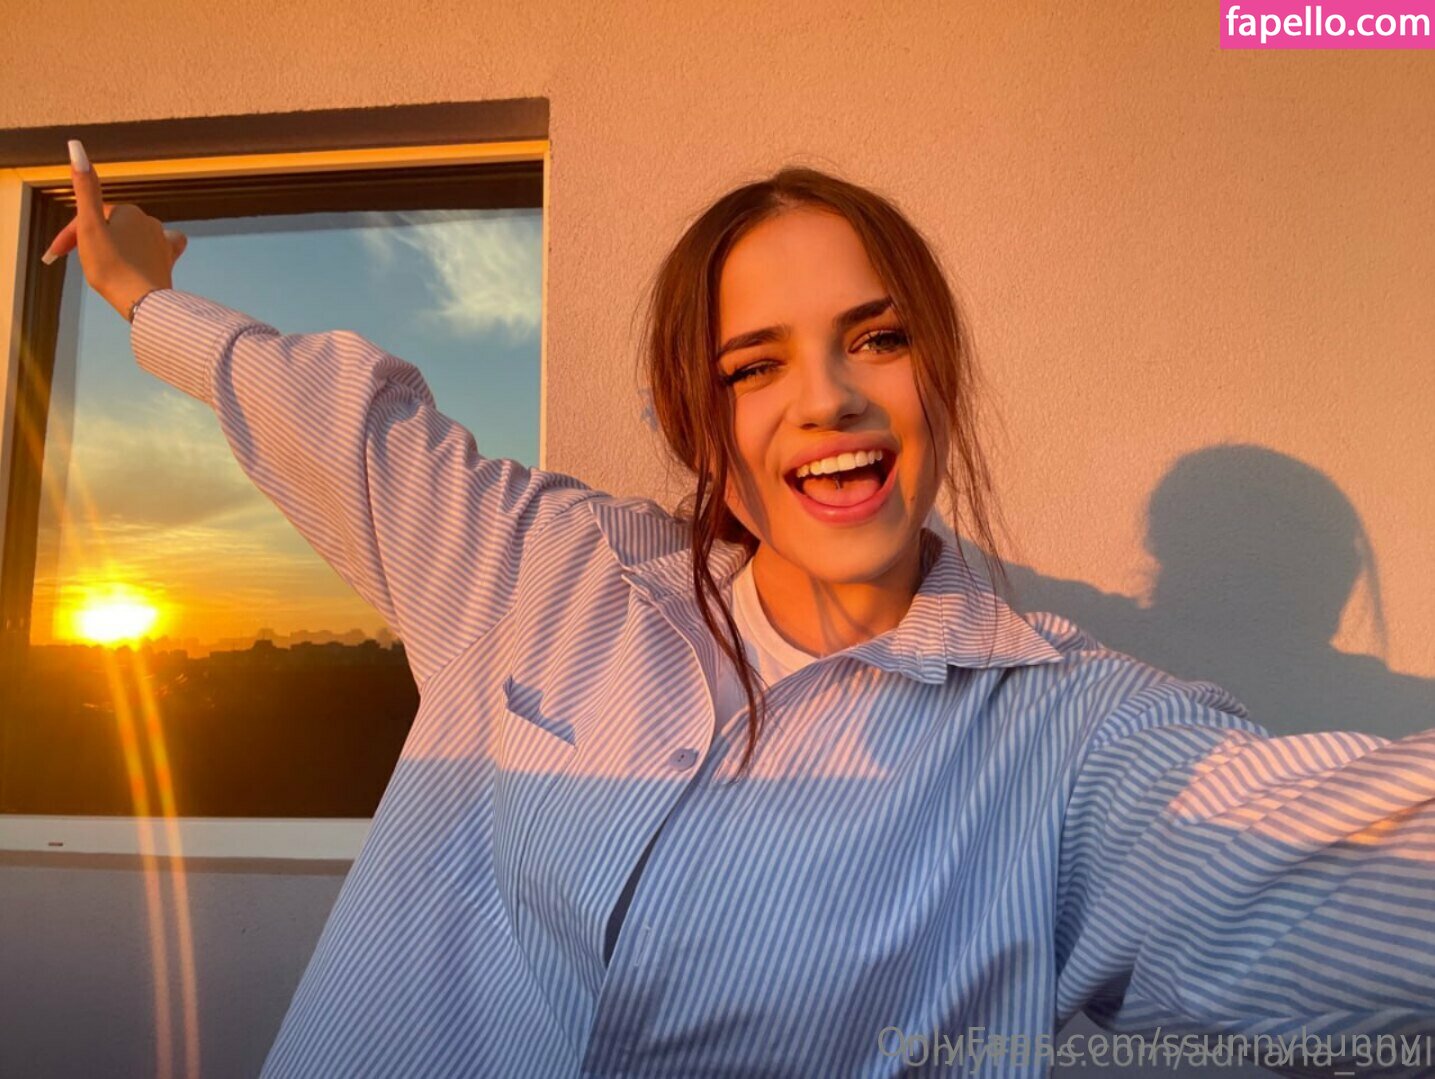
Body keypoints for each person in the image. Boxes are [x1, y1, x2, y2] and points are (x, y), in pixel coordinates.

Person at [48, 138, 1435, 1078]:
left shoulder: (1080, 743)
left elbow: (1335, 862)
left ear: (940, 377)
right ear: (694, 418)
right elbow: (327, 412)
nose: (828, 398)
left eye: (877, 338)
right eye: (754, 365)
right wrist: (140, 292)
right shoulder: (543, 571)